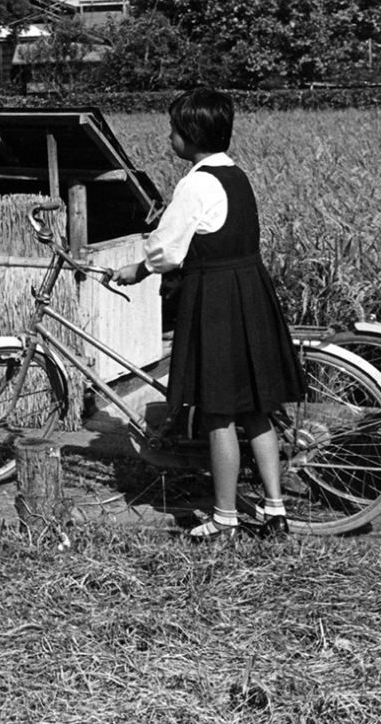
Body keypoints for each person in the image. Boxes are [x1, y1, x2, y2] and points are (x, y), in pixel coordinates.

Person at [113, 87, 303, 541]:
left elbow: (166, 248)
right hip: (251, 293)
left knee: (218, 412)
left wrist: (137, 268)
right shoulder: (236, 175)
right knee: (257, 409)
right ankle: (275, 510)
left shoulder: (195, 183)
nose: (170, 137)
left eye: (174, 130)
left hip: (217, 299)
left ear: (191, 135)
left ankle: (224, 518)